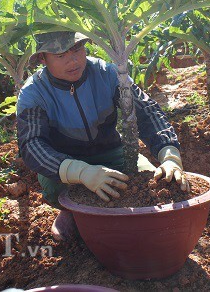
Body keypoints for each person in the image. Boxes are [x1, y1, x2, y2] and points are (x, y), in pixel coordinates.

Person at [16, 31, 189, 241]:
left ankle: (130, 218)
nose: (73, 60)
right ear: (43, 58)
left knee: (153, 180)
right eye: (60, 55)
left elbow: (146, 111)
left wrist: (170, 155)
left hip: (111, 152)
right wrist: (80, 171)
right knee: (55, 189)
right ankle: (71, 212)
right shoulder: (34, 93)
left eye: (77, 49)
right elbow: (32, 146)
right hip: (65, 160)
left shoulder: (106, 73)